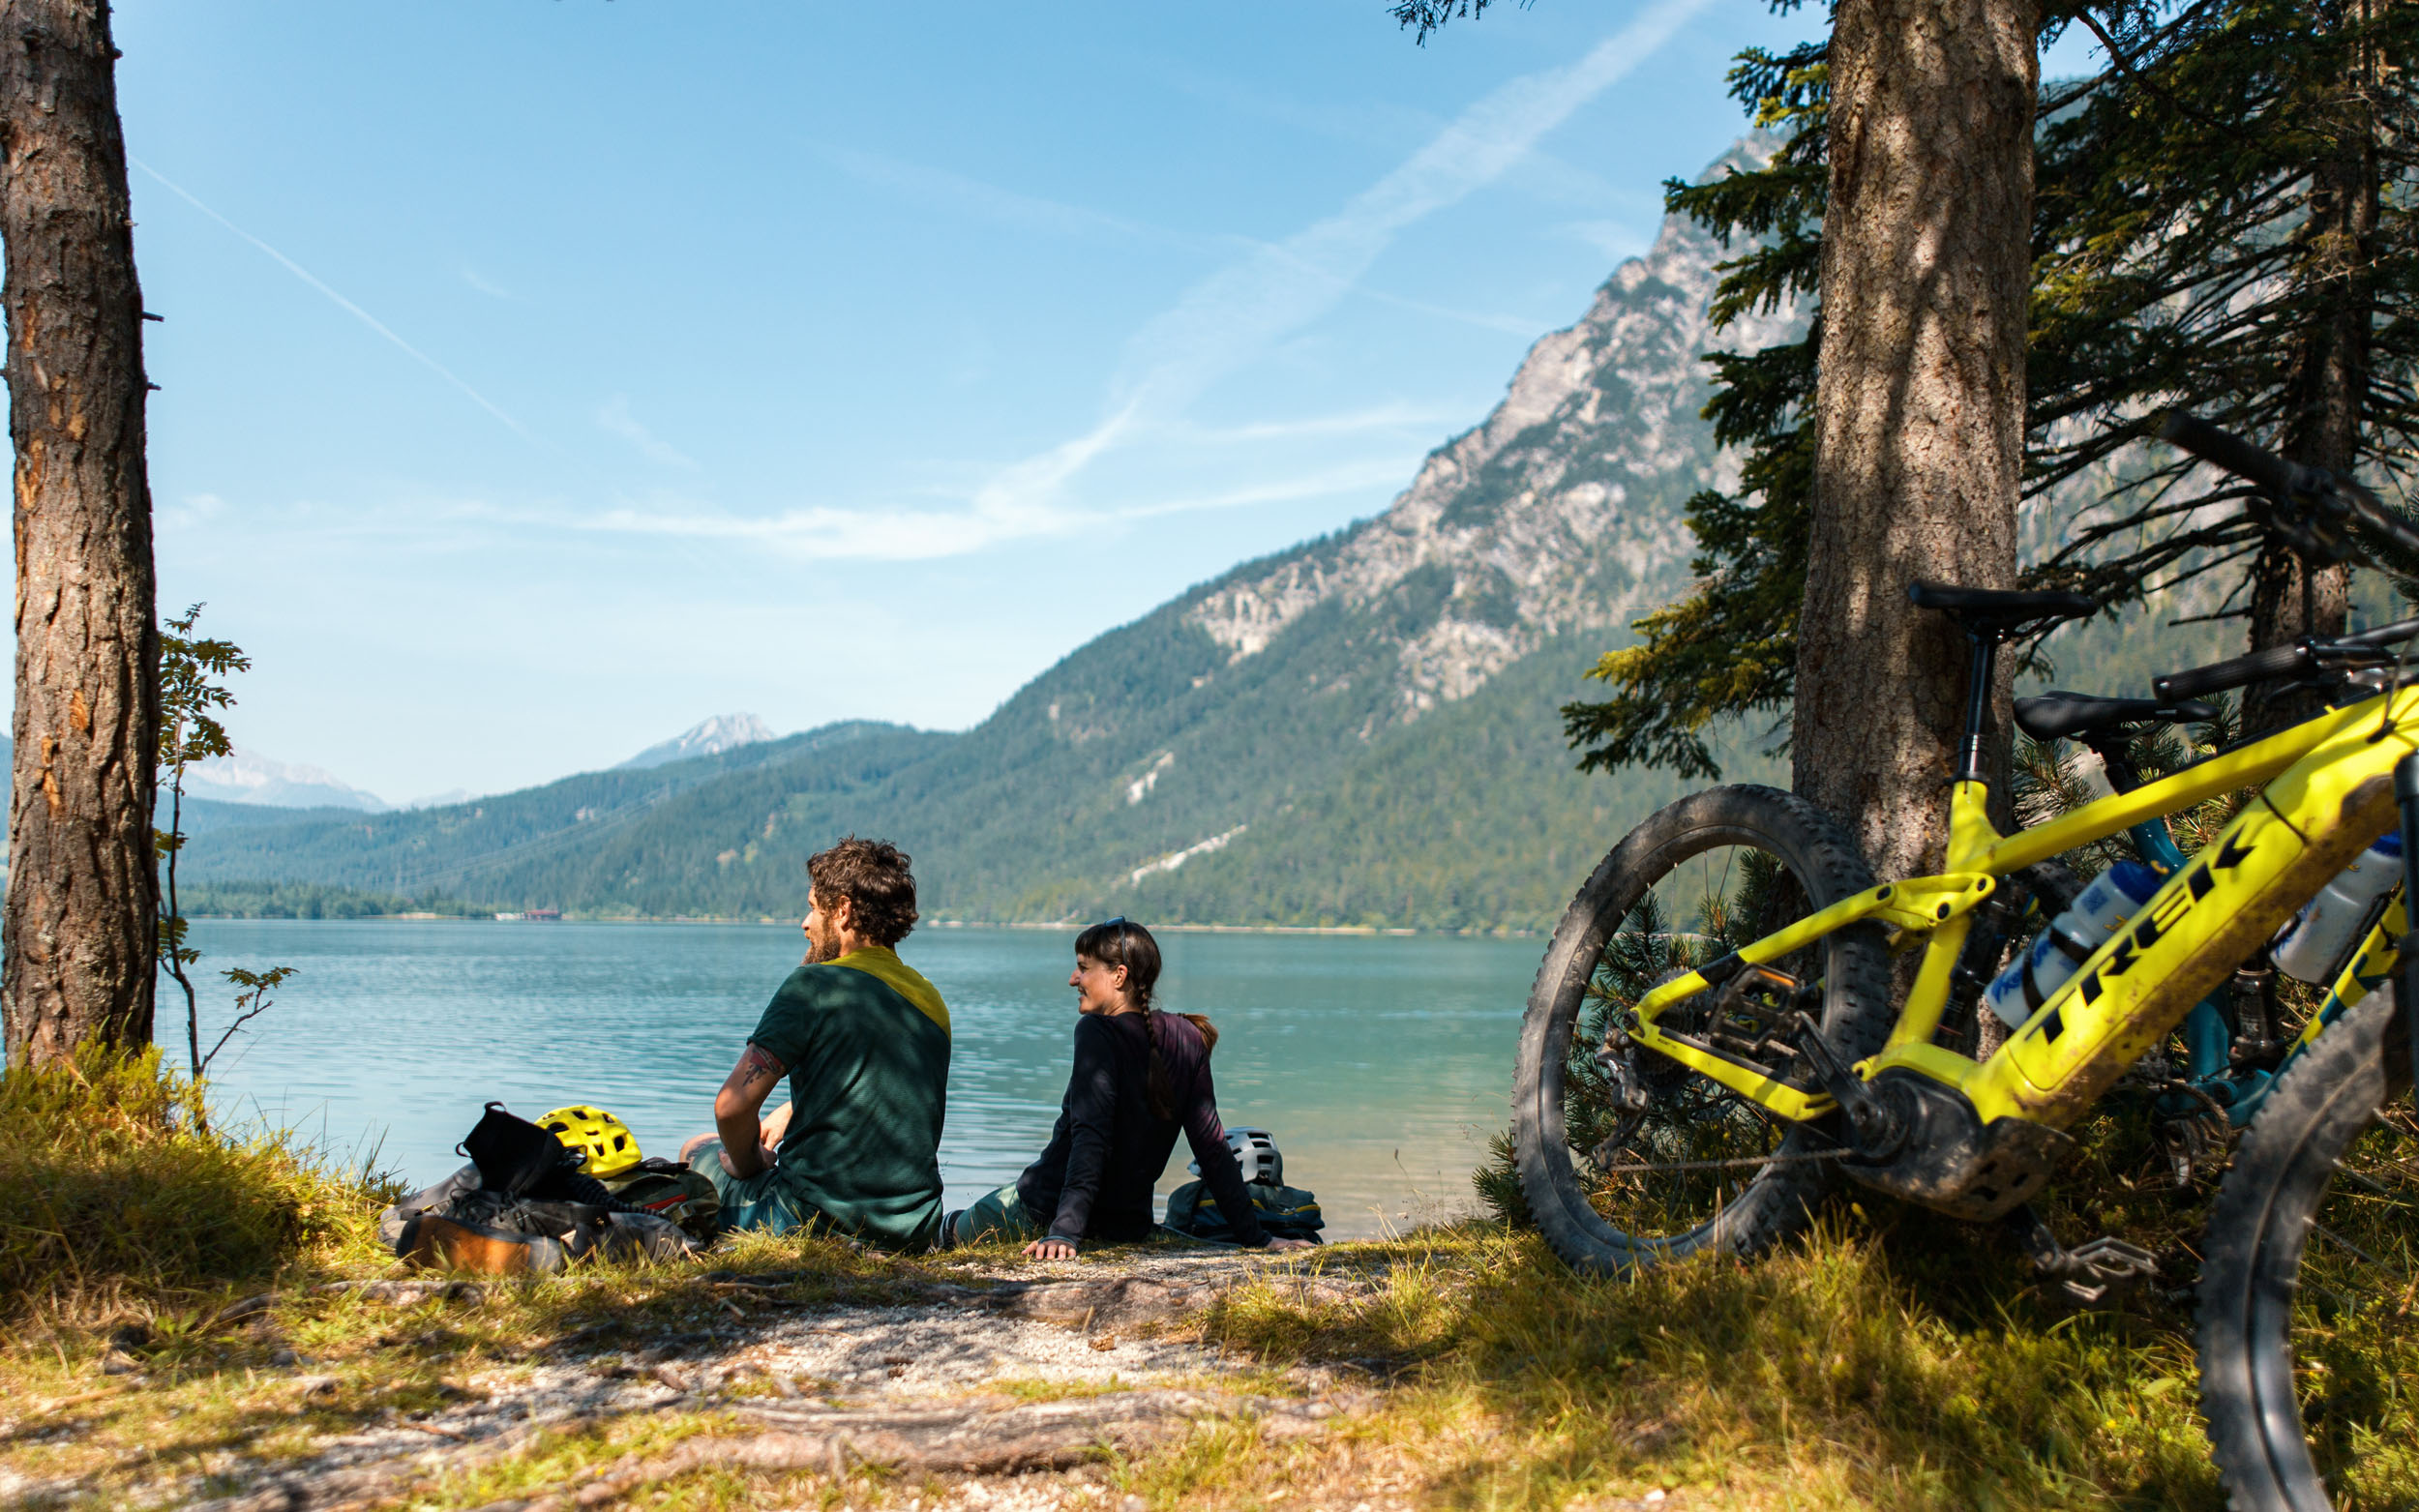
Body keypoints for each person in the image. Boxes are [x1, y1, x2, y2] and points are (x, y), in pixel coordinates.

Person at [947, 917, 1313, 1257]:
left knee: (953, 1231)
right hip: (1126, 1226)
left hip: (1040, 1208)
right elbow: (1213, 1150)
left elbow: (1091, 1137)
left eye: (1084, 967)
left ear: (1119, 976)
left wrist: (1064, 1232)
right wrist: (1257, 1238)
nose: (1074, 979)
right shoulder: (1188, 1036)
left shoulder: (1096, 1031)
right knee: (970, 1217)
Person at [678, 836, 949, 1251]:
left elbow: (731, 1108)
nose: (805, 924)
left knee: (697, 1149)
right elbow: (881, 1084)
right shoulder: (930, 1000)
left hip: (810, 1220)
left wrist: (750, 1161)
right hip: (914, 1227)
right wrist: (793, 1109)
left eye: (812, 908)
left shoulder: (813, 987)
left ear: (842, 911)